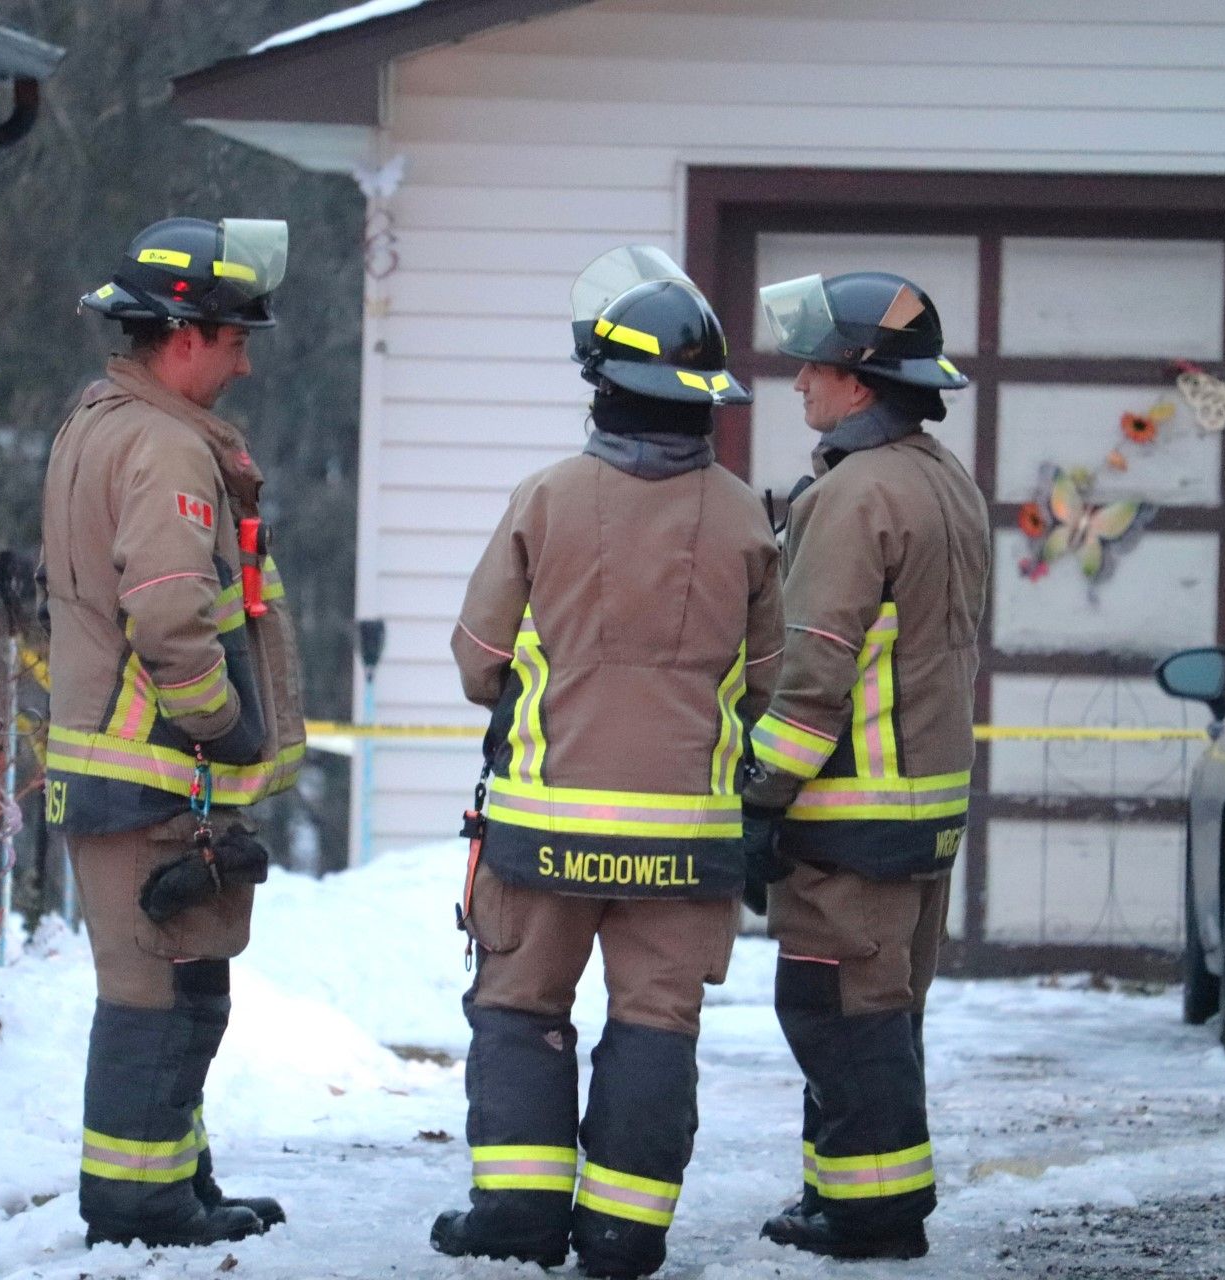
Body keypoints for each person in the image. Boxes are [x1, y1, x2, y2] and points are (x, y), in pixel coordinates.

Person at [431, 246, 784, 1279]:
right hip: (686, 844)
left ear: (605, 388)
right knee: (655, 1022)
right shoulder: (747, 520)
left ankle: (519, 1216)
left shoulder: (543, 498)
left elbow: (476, 662)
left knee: (521, 1005)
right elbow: (769, 680)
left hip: (543, 830)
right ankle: (626, 1232)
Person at [41, 216, 306, 1249]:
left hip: (135, 772)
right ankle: (138, 1203)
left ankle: (177, 1185)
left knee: (187, 987)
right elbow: (167, 610)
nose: (245, 359)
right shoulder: (162, 448)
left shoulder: (104, 421)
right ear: (183, 334)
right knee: (157, 994)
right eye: (236, 339)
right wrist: (224, 721)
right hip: (156, 773)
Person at [742, 270, 990, 1261]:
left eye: (815, 364)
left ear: (859, 379)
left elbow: (811, 676)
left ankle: (875, 1210)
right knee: (879, 1006)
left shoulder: (856, 495)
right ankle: (849, 1197)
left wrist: (759, 796)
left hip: (849, 815)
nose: (799, 380)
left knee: (836, 1007)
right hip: (917, 808)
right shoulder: (942, 478)